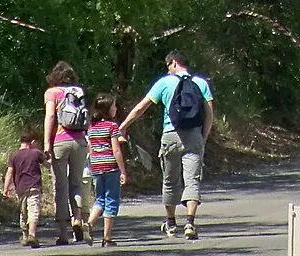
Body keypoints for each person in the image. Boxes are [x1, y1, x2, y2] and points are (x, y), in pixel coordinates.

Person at [120, 50, 215, 241]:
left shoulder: (164, 83)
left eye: (168, 66)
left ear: (173, 63)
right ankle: (190, 223)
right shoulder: (200, 83)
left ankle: (171, 223)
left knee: (170, 181)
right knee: (192, 180)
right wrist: (202, 138)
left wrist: (123, 126)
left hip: (170, 136)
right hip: (194, 136)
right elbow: (210, 115)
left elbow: (141, 107)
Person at [43, 62, 92, 244]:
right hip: (80, 142)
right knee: (76, 183)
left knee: (60, 186)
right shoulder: (79, 91)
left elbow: (50, 117)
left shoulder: (52, 92)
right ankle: (77, 219)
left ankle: (63, 234)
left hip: (60, 141)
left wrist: (47, 142)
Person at [84, 94, 128, 246]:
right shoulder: (112, 126)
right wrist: (123, 170)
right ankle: (107, 238)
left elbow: (90, 148)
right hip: (110, 166)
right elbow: (116, 150)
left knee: (99, 199)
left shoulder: (91, 127)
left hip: (96, 165)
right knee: (111, 200)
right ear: (108, 109)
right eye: (114, 106)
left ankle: (89, 223)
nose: (116, 108)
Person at [4, 125, 46, 248]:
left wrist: (5, 189)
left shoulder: (14, 155)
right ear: (32, 142)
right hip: (34, 187)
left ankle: (24, 236)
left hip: (20, 189)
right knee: (33, 210)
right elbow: (48, 165)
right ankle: (32, 235)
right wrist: (48, 157)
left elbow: (9, 173)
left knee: (23, 212)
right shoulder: (36, 153)